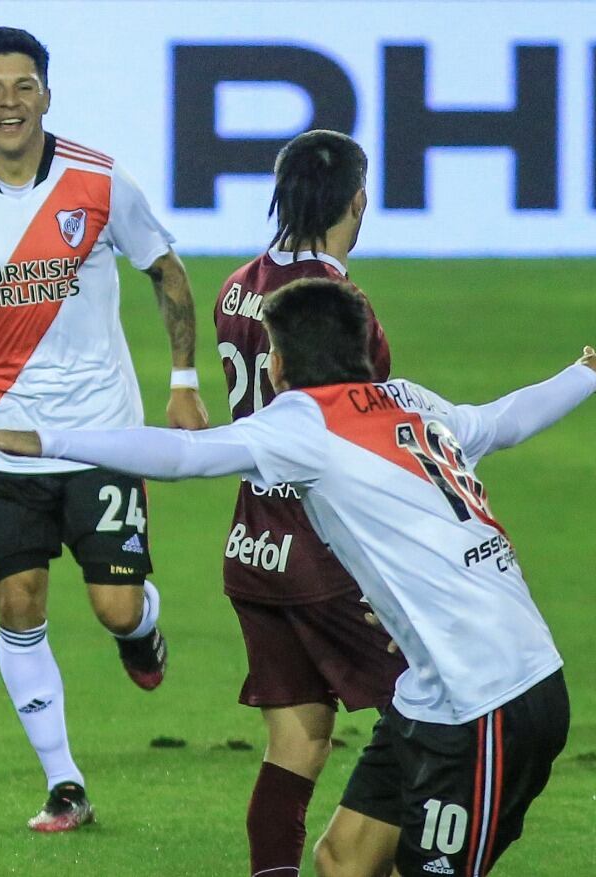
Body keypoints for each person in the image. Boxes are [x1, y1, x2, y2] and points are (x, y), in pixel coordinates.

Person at [0, 278, 596, 877]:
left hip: (495, 697)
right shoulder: (410, 400)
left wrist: (41, 439)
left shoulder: (303, 423)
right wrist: (587, 374)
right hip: (434, 691)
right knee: (343, 859)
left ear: (278, 365)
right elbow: (500, 420)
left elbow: (183, 455)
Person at [0, 26, 208, 831]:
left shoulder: (98, 180)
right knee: (17, 602)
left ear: (47, 96)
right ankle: (65, 782)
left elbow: (164, 269)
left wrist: (185, 381)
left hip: (99, 433)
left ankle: (145, 630)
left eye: (23, 86)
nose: (8, 103)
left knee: (114, 608)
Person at [214, 130, 405, 877]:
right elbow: (367, 428)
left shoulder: (235, 285)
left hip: (252, 543)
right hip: (325, 551)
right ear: (358, 200)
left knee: (295, 743)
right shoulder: (339, 306)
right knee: (427, 719)